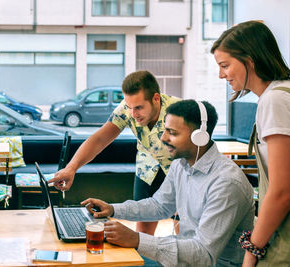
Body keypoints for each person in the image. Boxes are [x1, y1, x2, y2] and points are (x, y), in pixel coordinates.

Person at [82, 100, 255, 267]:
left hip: (209, 263)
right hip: (184, 257)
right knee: (111, 260)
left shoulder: (226, 183)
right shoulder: (181, 163)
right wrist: (113, 209)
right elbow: (160, 206)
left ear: (199, 137)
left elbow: (204, 254)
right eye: (164, 130)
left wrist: (137, 239)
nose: (163, 138)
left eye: (172, 133)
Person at [49, 70, 180, 235]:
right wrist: (71, 168)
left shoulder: (179, 111)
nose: (133, 114)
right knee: (144, 227)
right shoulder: (127, 109)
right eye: (130, 107)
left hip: (178, 168)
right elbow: (99, 139)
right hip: (147, 167)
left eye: (139, 107)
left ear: (156, 98)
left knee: (183, 224)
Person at [211, 20, 290, 267]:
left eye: (225, 65)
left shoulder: (274, 100)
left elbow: (281, 192)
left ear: (250, 60)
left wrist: (251, 250)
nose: (221, 74)